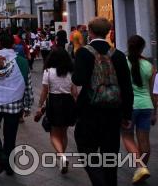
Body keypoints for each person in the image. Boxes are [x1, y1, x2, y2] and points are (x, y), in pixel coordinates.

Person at [71, 17, 134, 186]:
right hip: (114, 112)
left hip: (89, 111)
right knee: (110, 154)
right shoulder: (119, 55)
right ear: (107, 32)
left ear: (90, 32)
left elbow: (77, 80)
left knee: (86, 148)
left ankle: (99, 182)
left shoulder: (83, 53)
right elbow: (127, 87)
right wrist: (127, 114)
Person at [0, 32, 33, 175]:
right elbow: (27, 85)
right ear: (13, 45)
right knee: (10, 136)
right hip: (14, 105)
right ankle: (8, 164)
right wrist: (27, 105)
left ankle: (0, 155)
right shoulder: (21, 61)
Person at [35, 47, 77, 174]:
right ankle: (61, 156)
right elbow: (74, 92)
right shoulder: (70, 72)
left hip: (54, 102)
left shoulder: (48, 71)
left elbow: (44, 91)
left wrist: (40, 106)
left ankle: (61, 156)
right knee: (63, 132)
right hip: (68, 102)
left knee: (54, 133)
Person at [121, 35, 154, 184]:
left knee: (127, 137)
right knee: (144, 141)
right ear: (143, 47)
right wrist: (156, 111)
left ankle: (140, 167)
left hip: (129, 106)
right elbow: (155, 91)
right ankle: (142, 169)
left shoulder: (123, 63)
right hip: (147, 106)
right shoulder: (150, 66)